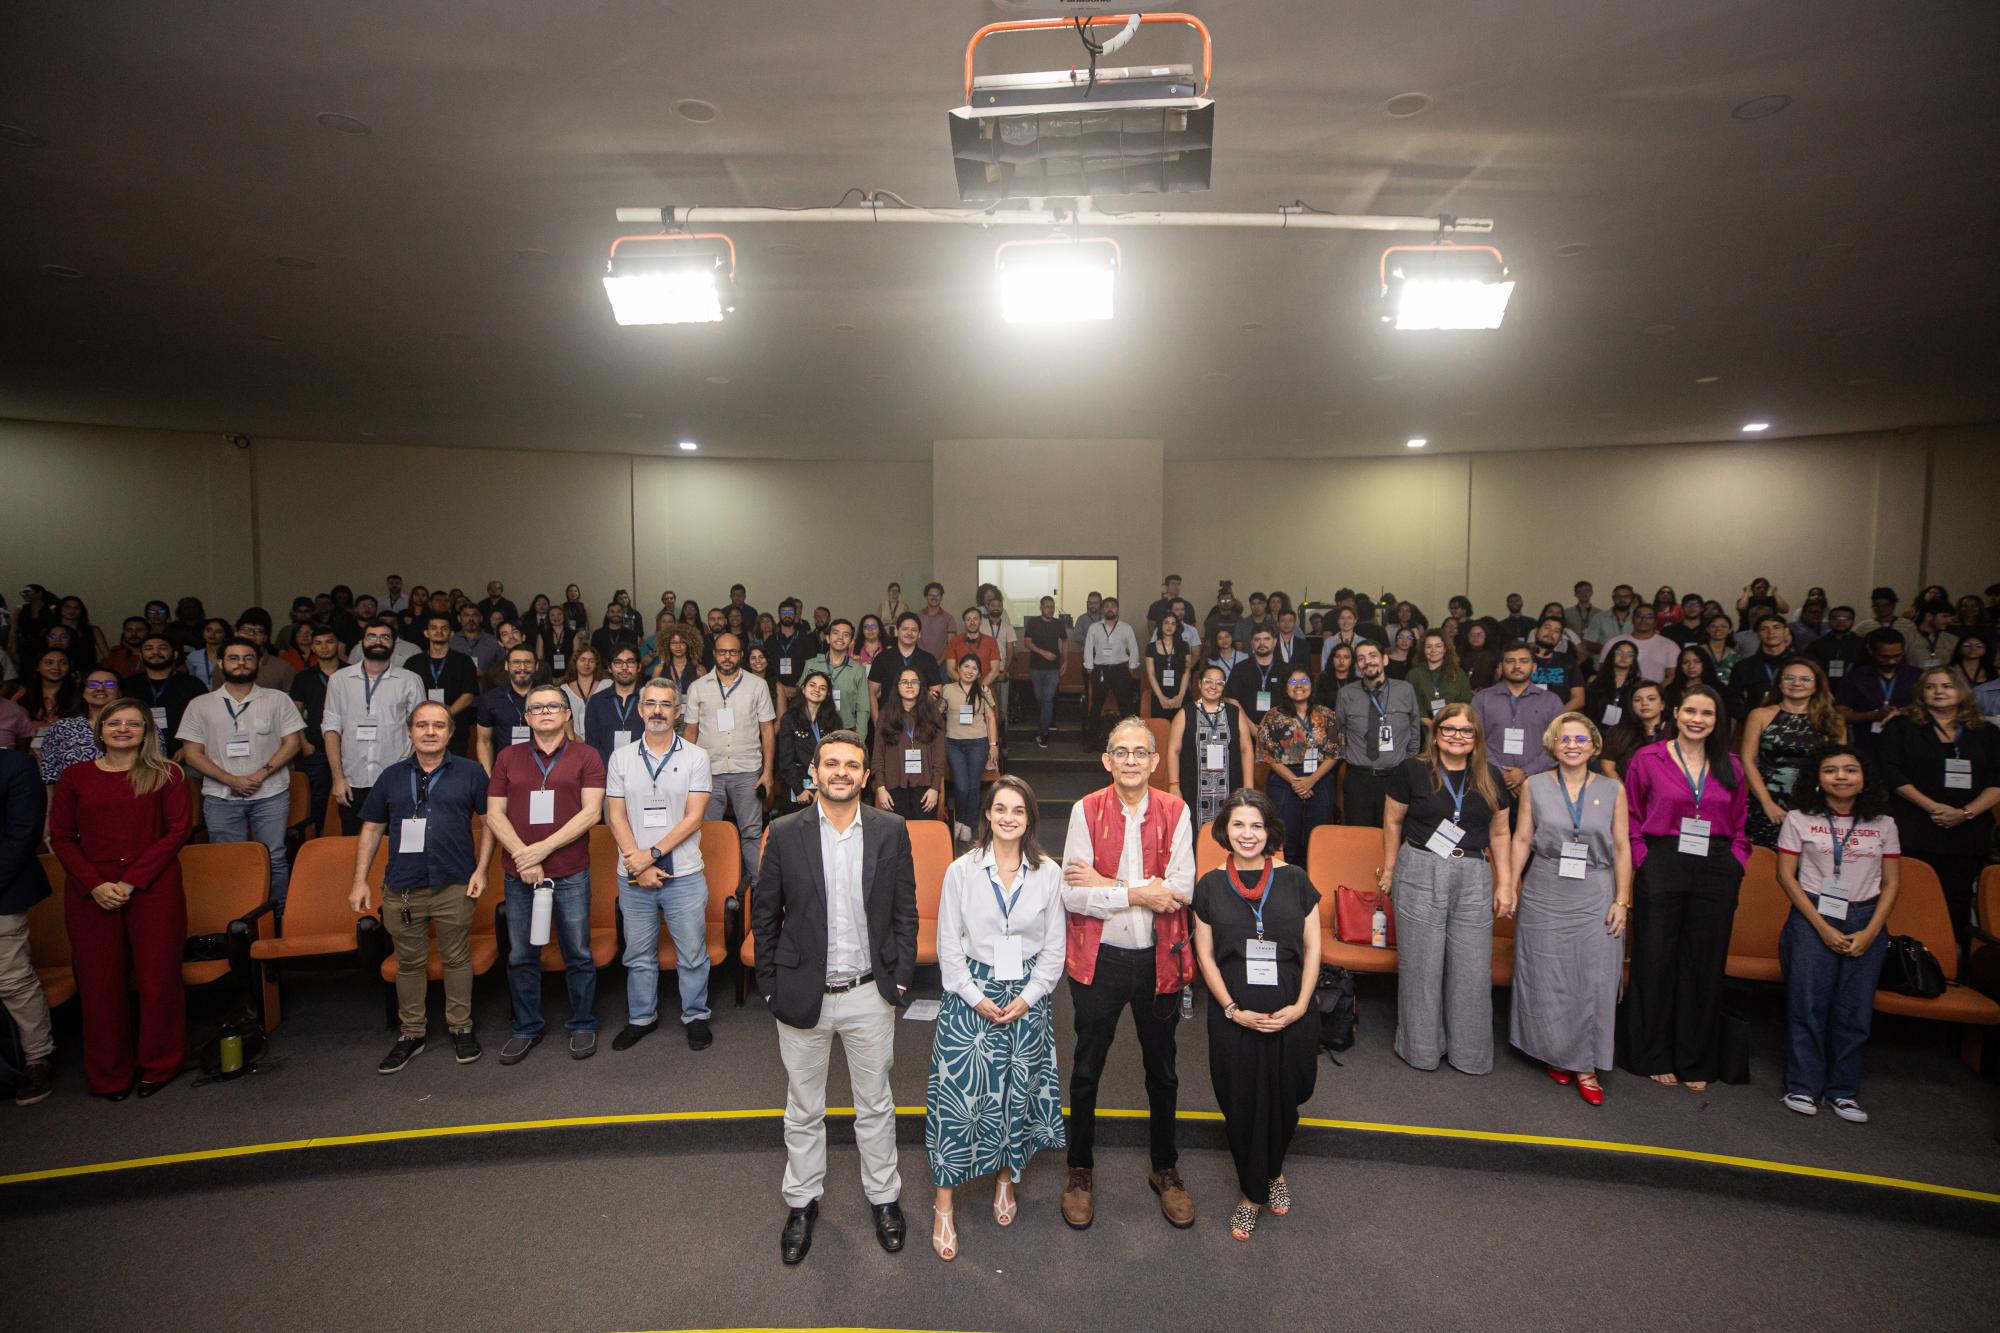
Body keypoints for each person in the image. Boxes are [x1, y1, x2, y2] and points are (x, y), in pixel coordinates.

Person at [752, 728, 918, 1266]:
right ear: (815, 772)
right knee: (804, 1108)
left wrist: (898, 980)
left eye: (852, 765)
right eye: (831, 764)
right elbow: (765, 915)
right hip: (803, 995)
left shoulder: (891, 830)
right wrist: (772, 988)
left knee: (876, 1105)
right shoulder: (784, 831)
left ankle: (884, 1197)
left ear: (866, 776)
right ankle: (802, 1203)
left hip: (871, 993)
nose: (841, 772)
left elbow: (904, 911)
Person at [1058, 717, 1198, 1231]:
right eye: (1122, 752)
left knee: (1162, 1073)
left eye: (1141, 752)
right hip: (1100, 961)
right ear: (1107, 760)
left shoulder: (1176, 810)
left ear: (1155, 762)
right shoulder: (1085, 810)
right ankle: (1079, 1169)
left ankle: (1165, 1168)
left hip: (1159, 961)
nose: (1132, 761)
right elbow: (1073, 893)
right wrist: (1139, 892)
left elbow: (1181, 889)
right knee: (1086, 1071)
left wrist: (1107, 884)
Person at [925, 775, 1067, 1262]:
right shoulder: (961, 871)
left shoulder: (1048, 872)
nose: (1009, 817)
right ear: (987, 814)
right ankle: (943, 1203)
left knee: (1015, 1094)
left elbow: (1054, 950)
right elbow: (948, 945)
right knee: (957, 1099)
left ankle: (1006, 1178)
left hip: (1027, 998)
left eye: (1019, 811)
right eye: (1000, 808)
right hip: (971, 997)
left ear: (1029, 819)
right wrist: (972, 995)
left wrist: (1028, 998)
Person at [1193, 789, 1322, 1241]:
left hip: (1292, 1008)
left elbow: (1313, 948)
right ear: (1224, 830)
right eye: (1238, 825)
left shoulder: (1296, 879)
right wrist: (1230, 1008)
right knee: (1242, 1105)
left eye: (1256, 825)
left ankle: (1275, 1171)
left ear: (1270, 831)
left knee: (1286, 1102)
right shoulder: (1209, 884)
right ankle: (1252, 1193)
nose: (1247, 834)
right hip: (1235, 1016)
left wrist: (1302, 1005)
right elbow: (1205, 957)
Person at [49, 700, 193, 1098]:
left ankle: (160, 1064)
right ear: (101, 729)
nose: (123, 729)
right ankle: (109, 1075)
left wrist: (130, 882)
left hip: (153, 888)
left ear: (147, 731)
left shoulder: (168, 774)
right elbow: (60, 837)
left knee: (158, 980)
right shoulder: (75, 777)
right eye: (115, 723)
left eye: (133, 723)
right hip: (90, 893)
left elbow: (177, 831)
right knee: (99, 985)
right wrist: (95, 883)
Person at [351, 701, 491, 1072]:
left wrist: (482, 869)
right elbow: (371, 828)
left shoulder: (472, 772)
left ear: (450, 732)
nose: (430, 732)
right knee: (409, 963)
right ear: (410, 731)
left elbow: (491, 822)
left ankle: (461, 1027)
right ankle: (411, 1033)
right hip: (403, 886)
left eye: (439, 726)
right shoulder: (392, 776)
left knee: (456, 958)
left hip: (455, 882)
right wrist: (359, 879)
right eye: (423, 725)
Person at [1623, 684, 1750, 1090]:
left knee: (1704, 963)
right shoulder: (1648, 758)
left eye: (1707, 714)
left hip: (1715, 866)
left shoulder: (1731, 765)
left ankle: (1694, 1059)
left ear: (1717, 721)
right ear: (1675, 713)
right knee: (1654, 958)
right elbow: (1629, 815)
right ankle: (1653, 1053)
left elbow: (1742, 821)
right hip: (1662, 859)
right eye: (1691, 711)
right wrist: (1643, 860)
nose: (1698, 719)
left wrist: (1736, 862)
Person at [1379, 704, 1514, 1075]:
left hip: (1473, 873)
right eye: (1450, 729)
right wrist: (1390, 869)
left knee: (1471, 969)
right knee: (1421, 966)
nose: (1457, 736)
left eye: (1466, 731)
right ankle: (1421, 1050)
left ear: (1476, 739)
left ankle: (1469, 1054)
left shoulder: (1490, 776)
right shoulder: (1412, 770)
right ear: (1436, 734)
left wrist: (1506, 883)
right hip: (1420, 868)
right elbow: (1392, 822)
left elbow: (1501, 833)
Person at [1507, 713, 1632, 1104]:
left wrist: (1622, 900)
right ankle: (1554, 1052)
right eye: (1564, 739)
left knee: (1593, 976)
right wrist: (1510, 884)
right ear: (1552, 745)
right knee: (1546, 973)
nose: (1572, 745)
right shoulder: (1536, 785)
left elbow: (1624, 848)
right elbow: (1522, 837)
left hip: (1595, 889)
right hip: (1545, 886)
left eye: (1581, 739)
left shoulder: (1613, 789)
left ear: (1594, 746)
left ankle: (1587, 1064)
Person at [1775, 747, 1901, 1121]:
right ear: (1818, 777)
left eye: (1850, 770)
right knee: (1808, 1005)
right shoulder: (1798, 819)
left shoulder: (1884, 824)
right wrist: (1822, 927)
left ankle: (1843, 1092)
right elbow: (1785, 876)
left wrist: (1871, 932)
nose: (1841, 777)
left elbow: (1892, 884)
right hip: (1812, 916)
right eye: (1831, 770)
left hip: (1866, 917)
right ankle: (1802, 1087)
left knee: (1854, 1012)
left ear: (1864, 778)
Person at [487, 683, 606, 1063]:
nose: (545, 712)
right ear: (525, 718)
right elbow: (493, 814)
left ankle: (583, 1022)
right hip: (519, 873)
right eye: (536, 708)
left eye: (554, 706)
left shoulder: (587, 756)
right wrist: (525, 855)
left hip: (570, 871)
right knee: (522, 954)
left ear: (568, 714)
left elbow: (592, 813)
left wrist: (543, 849)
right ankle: (526, 1026)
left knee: (579, 951)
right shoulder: (507, 757)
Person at [605, 677, 716, 1054]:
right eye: (650, 703)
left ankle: (696, 1016)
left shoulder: (696, 757)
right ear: (640, 710)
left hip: (683, 874)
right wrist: (637, 864)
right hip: (633, 876)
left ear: (678, 712)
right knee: (637, 954)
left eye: (665, 704)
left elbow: (694, 818)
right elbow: (616, 816)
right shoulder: (620, 757)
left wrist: (649, 856)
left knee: (692, 953)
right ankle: (641, 1018)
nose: (657, 711)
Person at [177, 637, 306, 911]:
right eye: (233, 658)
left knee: (274, 856)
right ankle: (234, 916)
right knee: (228, 858)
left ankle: (279, 915)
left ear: (258, 662)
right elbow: (192, 754)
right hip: (220, 796)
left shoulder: (277, 699)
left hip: (270, 794)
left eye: (248, 657)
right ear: (220, 663)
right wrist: (231, 780)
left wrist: (259, 776)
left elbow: (292, 743)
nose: (241, 663)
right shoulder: (200, 704)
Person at [1877, 667, 2000, 950]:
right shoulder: (1902, 726)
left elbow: (1997, 779)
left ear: (1961, 691)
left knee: (1956, 898)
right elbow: (1891, 772)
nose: (1939, 691)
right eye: (1931, 686)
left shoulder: (1985, 732)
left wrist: (1966, 812)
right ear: (1921, 692)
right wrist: (1933, 808)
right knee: (1910, 896)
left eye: (1946, 686)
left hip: (1968, 830)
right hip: (1915, 827)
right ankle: (1906, 962)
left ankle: (1950, 960)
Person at [683, 633, 777, 877]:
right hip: (707, 772)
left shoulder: (758, 685)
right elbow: (690, 731)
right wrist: (683, 774)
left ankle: (758, 895)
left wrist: (767, 772)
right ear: (714, 654)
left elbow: (767, 730)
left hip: (747, 770)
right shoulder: (697, 687)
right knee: (709, 833)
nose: (727, 657)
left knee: (752, 832)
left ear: (741, 655)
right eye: (722, 652)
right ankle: (714, 892)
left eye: (732, 652)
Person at [323, 619, 426, 835]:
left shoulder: (410, 680)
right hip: (352, 780)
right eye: (372, 636)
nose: (378, 641)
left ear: (394, 643)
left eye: (385, 637)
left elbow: (422, 730)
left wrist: (412, 776)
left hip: (397, 778)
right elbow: (331, 729)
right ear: (362, 642)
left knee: (398, 846)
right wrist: (337, 778)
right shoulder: (339, 680)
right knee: (355, 845)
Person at [1740, 658, 1846, 848]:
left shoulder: (1833, 719)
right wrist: (1767, 803)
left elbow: (1840, 766)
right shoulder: (1760, 715)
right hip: (1768, 804)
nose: (1796, 683)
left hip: (1816, 804)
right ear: (1779, 683)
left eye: (1805, 679)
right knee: (1764, 862)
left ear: (1817, 686)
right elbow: (1748, 760)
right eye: (1789, 677)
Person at [0, 745, 55, 1104]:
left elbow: (24, 832)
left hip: (2, 887)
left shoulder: (14, 763)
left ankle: (38, 1058)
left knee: (12, 979)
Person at [1335, 641, 1422, 828]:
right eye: (1361, 658)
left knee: (1392, 835)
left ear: (1385, 659)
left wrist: (1407, 762)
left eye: (1373, 655)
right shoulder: (1346, 694)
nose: (1368, 661)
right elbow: (1339, 731)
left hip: (1395, 778)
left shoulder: (1405, 690)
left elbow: (1414, 729)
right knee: (1359, 839)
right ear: (1357, 665)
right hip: (1359, 779)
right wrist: (1348, 756)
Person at [1168, 665, 1256, 832]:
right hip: (1193, 790)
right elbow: (1173, 750)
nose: (1213, 687)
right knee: (1193, 835)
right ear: (1200, 684)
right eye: (1208, 681)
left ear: (1224, 687)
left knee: (1229, 833)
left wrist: (1249, 786)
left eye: (1219, 683)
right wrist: (1174, 784)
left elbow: (1246, 749)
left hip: (1230, 789)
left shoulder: (1235, 713)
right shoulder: (1185, 713)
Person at [1473, 644, 1567, 798]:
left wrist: (1525, 772)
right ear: (1501, 666)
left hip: (1538, 783)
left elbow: (1559, 744)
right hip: (1491, 782)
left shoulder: (1551, 701)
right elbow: (1475, 740)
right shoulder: (1482, 698)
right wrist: (1503, 774)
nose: (1517, 666)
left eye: (1523, 661)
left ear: (1534, 667)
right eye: (1510, 661)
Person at [401, 612, 479, 756]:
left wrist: (443, 715)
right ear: (426, 633)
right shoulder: (413, 663)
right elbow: (404, 696)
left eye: (444, 628)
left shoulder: (464, 661)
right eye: (434, 628)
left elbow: (468, 695)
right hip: (421, 729)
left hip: (455, 730)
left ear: (451, 633)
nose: (439, 631)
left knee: (453, 774)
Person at [873, 666, 945, 821]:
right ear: (897, 686)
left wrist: (934, 788)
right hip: (892, 788)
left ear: (921, 686)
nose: (909, 685)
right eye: (904, 682)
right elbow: (878, 755)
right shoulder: (885, 715)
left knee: (924, 838)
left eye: (914, 682)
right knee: (898, 840)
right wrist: (881, 788)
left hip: (926, 789)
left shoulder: (933, 715)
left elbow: (939, 757)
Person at [941, 654, 997, 840]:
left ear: (979, 673)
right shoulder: (947, 689)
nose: (969, 671)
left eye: (974, 668)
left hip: (978, 743)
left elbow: (990, 718)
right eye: (966, 666)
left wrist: (993, 745)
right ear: (958, 668)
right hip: (954, 744)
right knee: (962, 785)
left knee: (973, 786)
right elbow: (936, 714)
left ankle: (968, 825)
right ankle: (958, 820)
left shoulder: (982, 690)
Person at [1835, 629, 1921, 750]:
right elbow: (1840, 714)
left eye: (1897, 656)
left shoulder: (1916, 676)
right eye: (1884, 657)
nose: (1891, 661)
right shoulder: (1855, 677)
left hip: (1909, 742)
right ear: (1871, 651)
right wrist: (1873, 715)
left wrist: (1904, 712)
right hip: (1868, 743)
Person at [34, 666, 120, 785]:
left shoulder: (136, 725)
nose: (100, 688)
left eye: (109, 684)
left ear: (119, 692)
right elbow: (48, 776)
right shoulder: (62, 727)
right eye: (92, 684)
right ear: (83, 691)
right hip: (75, 800)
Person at [1081, 596, 1140, 748]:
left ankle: (1130, 742)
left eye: (1113, 606)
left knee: (1126, 706)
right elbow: (1088, 648)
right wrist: (1089, 667)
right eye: (1106, 606)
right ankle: (1091, 741)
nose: (1110, 609)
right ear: (1102, 609)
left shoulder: (1126, 628)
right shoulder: (1094, 628)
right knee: (1095, 706)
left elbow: (1133, 648)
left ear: (1117, 610)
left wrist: (1132, 667)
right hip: (1100, 670)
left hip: (1121, 669)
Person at [776, 670, 842, 806]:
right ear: (803, 688)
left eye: (822, 688)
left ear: (827, 694)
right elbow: (785, 759)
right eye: (812, 685)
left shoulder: (834, 721)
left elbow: (837, 758)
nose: (817, 690)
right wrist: (799, 790)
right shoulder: (789, 718)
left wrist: (823, 789)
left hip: (825, 784)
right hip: (797, 783)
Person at [475, 645, 539, 772]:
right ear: (506, 666)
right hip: (505, 770)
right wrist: (488, 778)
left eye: (527, 662)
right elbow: (484, 741)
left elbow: (566, 735)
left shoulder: (551, 697)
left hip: (544, 769)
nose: (522, 668)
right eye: (516, 662)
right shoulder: (490, 699)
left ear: (536, 666)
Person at [868, 613, 942, 721]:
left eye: (914, 630)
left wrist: (925, 714)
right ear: (897, 631)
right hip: (889, 720)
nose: (909, 633)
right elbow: (872, 693)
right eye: (905, 629)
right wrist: (877, 723)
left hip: (920, 721)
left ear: (919, 634)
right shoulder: (882, 658)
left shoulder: (928, 659)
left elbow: (937, 692)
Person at [802, 619, 868, 734]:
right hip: (813, 729)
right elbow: (800, 698)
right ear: (827, 638)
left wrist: (860, 740)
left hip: (845, 730)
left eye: (846, 635)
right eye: (836, 633)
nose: (840, 637)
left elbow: (863, 709)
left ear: (851, 642)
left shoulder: (858, 670)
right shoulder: (811, 664)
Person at [583, 646, 645, 765]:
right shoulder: (596, 702)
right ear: (610, 668)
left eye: (630, 662)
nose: (624, 667)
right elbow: (592, 744)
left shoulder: (649, 700)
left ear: (639, 667)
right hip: (605, 771)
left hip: (643, 770)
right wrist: (610, 768)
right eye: (618, 662)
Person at [1021, 596, 1067, 748]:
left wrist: (1065, 661)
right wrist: (1043, 653)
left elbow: (1065, 641)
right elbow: (1027, 642)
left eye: (1052, 606)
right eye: (1047, 606)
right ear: (1041, 608)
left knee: (1047, 699)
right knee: (1040, 699)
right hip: (1036, 668)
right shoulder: (1033, 622)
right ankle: (1049, 719)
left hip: (1053, 669)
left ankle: (1043, 733)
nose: (1050, 609)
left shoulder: (1058, 624)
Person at [1600, 681, 1669, 779]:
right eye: (1637, 700)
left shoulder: (1674, 731)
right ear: (1631, 705)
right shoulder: (1618, 731)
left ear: (1662, 704)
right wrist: (1626, 791)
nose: (1644, 703)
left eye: (1651, 699)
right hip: (1625, 790)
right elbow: (1607, 768)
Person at [1227, 627, 1283, 727]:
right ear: (1251, 643)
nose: (1262, 643)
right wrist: (1251, 728)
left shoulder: (1286, 669)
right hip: (1245, 728)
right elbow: (1232, 700)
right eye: (1257, 639)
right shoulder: (1240, 668)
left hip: (1279, 728)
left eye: (1266, 639)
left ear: (1275, 642)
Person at [1144, 611, 1192, 722]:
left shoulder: (1184, 645)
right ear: (1160, 625)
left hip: (1181, 693)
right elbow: (1150, 674)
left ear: (1177, 627)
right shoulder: (1151, 647)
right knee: (1161, 731)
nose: (1169, 626)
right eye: (1166, 622)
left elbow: (1186, 672)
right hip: (1160, 693)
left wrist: (1180, 696)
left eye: (1173, 623)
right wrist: (1161, 698)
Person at [1584, 640, 1642, 729]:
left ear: (1633, 660)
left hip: (1627, 732)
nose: (1624, 656)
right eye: (1619, 652)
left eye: (1629, 654)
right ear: (1612, 655)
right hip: (1595, 729)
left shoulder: (1639, 684)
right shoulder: (1595, 680)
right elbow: (1587, 708)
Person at [1806, 606, 1865, 683]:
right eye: (1836, 618)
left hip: (1854, 684)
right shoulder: (1817, 644)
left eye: (1846, 619)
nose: (1841, 622)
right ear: (1829, 621)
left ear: (1853, 622)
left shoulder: (1862, 644)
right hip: (1824, 684)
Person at [915, 582, 954, 659]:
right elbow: (913, 640)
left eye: (937, 595)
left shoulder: (949, 618)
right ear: (926, 596)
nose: (934, 597)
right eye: (930, 595)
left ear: (941, 597)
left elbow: (951, 645)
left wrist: (938, 662)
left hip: (942, 664)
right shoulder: (917, 617)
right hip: (920, 662)